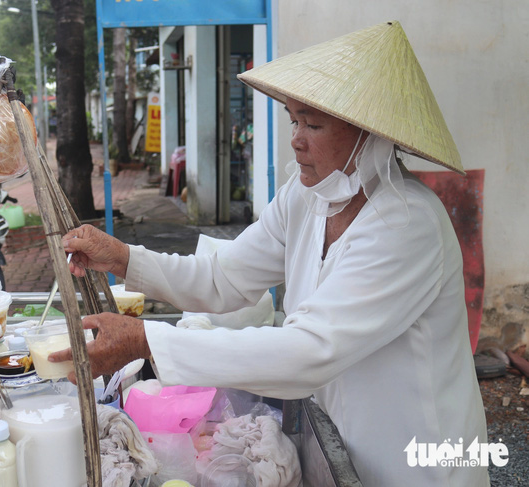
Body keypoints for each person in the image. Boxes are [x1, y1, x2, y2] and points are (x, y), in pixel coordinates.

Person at [50, 21, 489, 486]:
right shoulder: (307, 197)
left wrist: (146, 340)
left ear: (369, 135)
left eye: (313, 124)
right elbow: (226, 277)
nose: (297, 138)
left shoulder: (406, 223)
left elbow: (309, 351)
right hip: (342, 442)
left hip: (418, 458)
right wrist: (124, 258)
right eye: (293, 119)